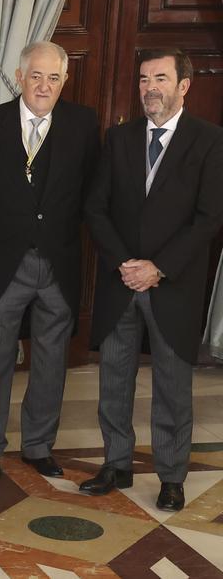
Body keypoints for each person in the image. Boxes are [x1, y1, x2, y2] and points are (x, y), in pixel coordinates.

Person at [81, 49, 223, 511]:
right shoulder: (118, 137)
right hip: (121, 282)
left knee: (172, 388)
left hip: (173, 286)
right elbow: (96, 208)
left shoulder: (209, 141)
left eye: (160, 78)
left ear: (184, 85)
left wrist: (157, 267)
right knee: (114, 381)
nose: (150, 89)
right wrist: (127, 263)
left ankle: (171, 476)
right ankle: (116, 464)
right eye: (143, 79)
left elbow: (208, 219)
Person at [0, 42, 100, 480]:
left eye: (54, 78)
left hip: (59, 260)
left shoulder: (82, 124)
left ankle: (39, 445)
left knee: (51, 359)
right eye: (36, 76)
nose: (44, 85)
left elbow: (91, 193)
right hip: (5, 259)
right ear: (19, 77)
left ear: (64, 81)